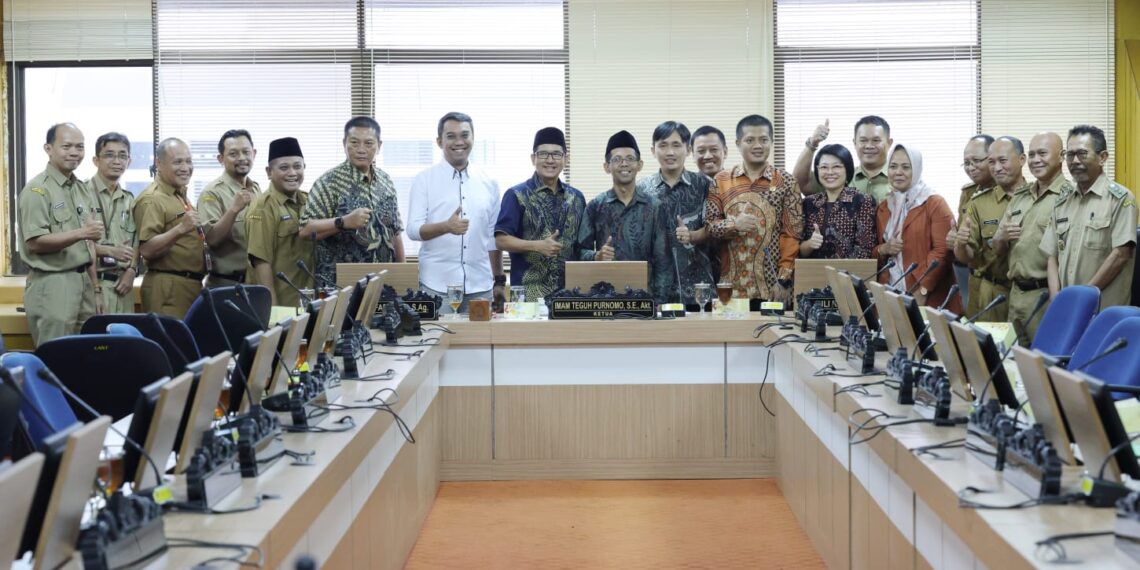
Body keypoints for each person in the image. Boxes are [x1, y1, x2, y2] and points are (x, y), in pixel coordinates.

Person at [406, 112, 504, 314]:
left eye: (465, 135)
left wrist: (499, 280)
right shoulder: (424, 179)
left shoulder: (489, 182)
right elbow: (413, 230)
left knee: (480, 345)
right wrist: (445, 227)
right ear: (439, 141)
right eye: (451, 136)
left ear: (473, 138)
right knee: (438, 342)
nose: (459, 142)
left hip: (480, 287)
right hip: (436, 286)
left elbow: (494, 237)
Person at [706, 114, 803, 306]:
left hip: (773, 286)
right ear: (738, 143)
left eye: (763, 140)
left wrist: (784, 279)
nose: (757, 145)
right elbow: (710, 226)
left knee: (775, 335)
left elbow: (792, 233)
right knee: (730, 336)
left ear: (771, 142)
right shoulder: (721, 180)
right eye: (750, 140)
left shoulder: (786, 181)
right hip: (730, 287)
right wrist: (734, 224)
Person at [18, 123, 102, 345]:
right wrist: (82, 232)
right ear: (48, 148)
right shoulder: (37, 190)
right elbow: (35, 242)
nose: (74, 152)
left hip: (83, 281)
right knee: (56, 358)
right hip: (53, 283)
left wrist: (95, 289)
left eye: (79, 147)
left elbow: (89, 245)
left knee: (85, 357)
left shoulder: (80, 189)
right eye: (66, 146)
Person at [300, 116, 405, 288]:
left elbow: (396, 233)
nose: (361, 149)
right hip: (340, 286)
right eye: (354, 143)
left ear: (379, 146)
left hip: (384, 284)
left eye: (369, 143)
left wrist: (402, 278)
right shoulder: (329, 183)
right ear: (344, 144)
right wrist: (344, 222)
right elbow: (305, 229)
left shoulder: (386, 182)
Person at [1041, 125, 1136, 309]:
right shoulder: (1063, 201)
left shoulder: (1121, 199)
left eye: (1082, 154)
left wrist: (1083, 296)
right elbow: (1052, 255)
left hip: (1103, 310)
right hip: (1067, 308)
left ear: (1103, 157)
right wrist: (1056, 298)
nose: (1075, 161)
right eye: (1070, 154)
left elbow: (1120, 255)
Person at [992, 132, 1070, 343]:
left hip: (1046, 296)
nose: (1036, 160)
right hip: (1016, 294)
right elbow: (998, 249)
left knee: (1041, 365)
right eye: (1032, 154)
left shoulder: (1070, 197)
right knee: (1013, 362)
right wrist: (1001, 237)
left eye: (1042, 153)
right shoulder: (1021, 196)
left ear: (1062, 156)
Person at [495, 127, 586, 300]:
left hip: (570, 296)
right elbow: (501, 240)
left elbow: (583, 247)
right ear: (533, 158)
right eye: (543, 154)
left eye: (557, 154)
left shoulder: (577, 198)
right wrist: (537, 245)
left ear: (566, 159)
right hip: (527, 297)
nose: (550, 160)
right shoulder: (516, 195)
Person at [577, 130, 669, 300]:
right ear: (607, 167)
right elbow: (580, 252)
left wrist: (659, 302)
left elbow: (662, 260)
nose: (624, 164)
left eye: (630, 159)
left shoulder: (655, 207)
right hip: (604, 299)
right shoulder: (595, 206)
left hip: (645, 299)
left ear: (639, 165)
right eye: (617, 159)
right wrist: (596, 256)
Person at [636, 121, 716, 306]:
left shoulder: (705, 185)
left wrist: (694, 235)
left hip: (698, 289)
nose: (670, 152)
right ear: (653, 150)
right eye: (663, 145)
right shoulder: (641, 190)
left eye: (676, 145)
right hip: (655, 288)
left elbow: (715, 229)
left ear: (688, 150)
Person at [872, 144, 959, 312]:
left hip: (926, 295)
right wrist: (884, 249)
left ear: (917, 169)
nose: (898, 172)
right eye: (893, 166)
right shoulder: (884, 206)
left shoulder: (934, 202)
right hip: (890, 292)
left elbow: (942, 251)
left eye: (906, 167)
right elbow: (874, 250)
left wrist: (924, 289)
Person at [954, 136, 1026, 321]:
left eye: (1002, 161)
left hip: (1030, 293)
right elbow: (966, 254)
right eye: (992, 162)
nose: (997, 167)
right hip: (992, 290)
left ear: (1021, 160)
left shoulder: (1037, 197)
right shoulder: (978, 202)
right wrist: (960, 244)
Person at [133, 138, 205, 318]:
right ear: (159, 163)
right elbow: (147, 249)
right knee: (171, 344)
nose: (185, 167)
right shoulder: (153, 198)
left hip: (190, 285)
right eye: (178, 162)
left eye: (188, 161)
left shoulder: (179, 195)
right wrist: (180, 229)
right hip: (168, 287)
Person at [246, 137, 312, 307]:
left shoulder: (308, 200)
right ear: (269, 172)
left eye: (297, 166)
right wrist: (273, 314)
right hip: (282, 306)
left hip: (307, 302)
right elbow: (261, 264)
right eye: (284, 167)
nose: (292, 173)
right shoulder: (263, 208)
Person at [82, 132, 138, 314]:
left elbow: (136, 241)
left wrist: (131, 270)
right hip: (91, 284)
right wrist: (109, 251)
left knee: (124, 340)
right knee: (95, 341)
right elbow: (75, 244)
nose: (117, 161)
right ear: (96, 160)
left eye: (122, 156)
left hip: (123, 286)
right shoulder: (81, 194)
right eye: (109, 155)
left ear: (129, 162)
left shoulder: (130, 200)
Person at [198, 129, 260, 288]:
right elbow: (211, 239)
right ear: (221, 158)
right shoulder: (212, 193)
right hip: (226, 284)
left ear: (254, 153)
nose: (242, 158)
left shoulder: (256, 190)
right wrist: (233, 210)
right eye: (233, 154)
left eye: (246, 152)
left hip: (256, 282)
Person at [798, 144, 876, 260]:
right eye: (824, 167)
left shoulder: (862, 201)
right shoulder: (808, 203)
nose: (830, 172)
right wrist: (810, 244)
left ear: (847, 169)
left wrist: (838, 273)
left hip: (850, 275)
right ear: (817, 170)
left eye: (836, 167)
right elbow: (797, 251)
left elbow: (865, 249)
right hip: (812, 274)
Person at [793, 115, 893, 203]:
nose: (869, 146)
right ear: (855, 143)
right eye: (863, 140)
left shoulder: (900, 179)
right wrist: (812, 143)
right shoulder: (841, 177)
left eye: (876, 140)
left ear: (889, 143)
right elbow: (801, 183)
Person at [949, 134, 996, 308]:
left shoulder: (1008, 194)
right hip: (971, 280)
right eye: (967, 163)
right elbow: (962, 236)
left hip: (997, 283)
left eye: (976, 160)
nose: (971, 167)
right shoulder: (968, 193)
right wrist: (954, 240)